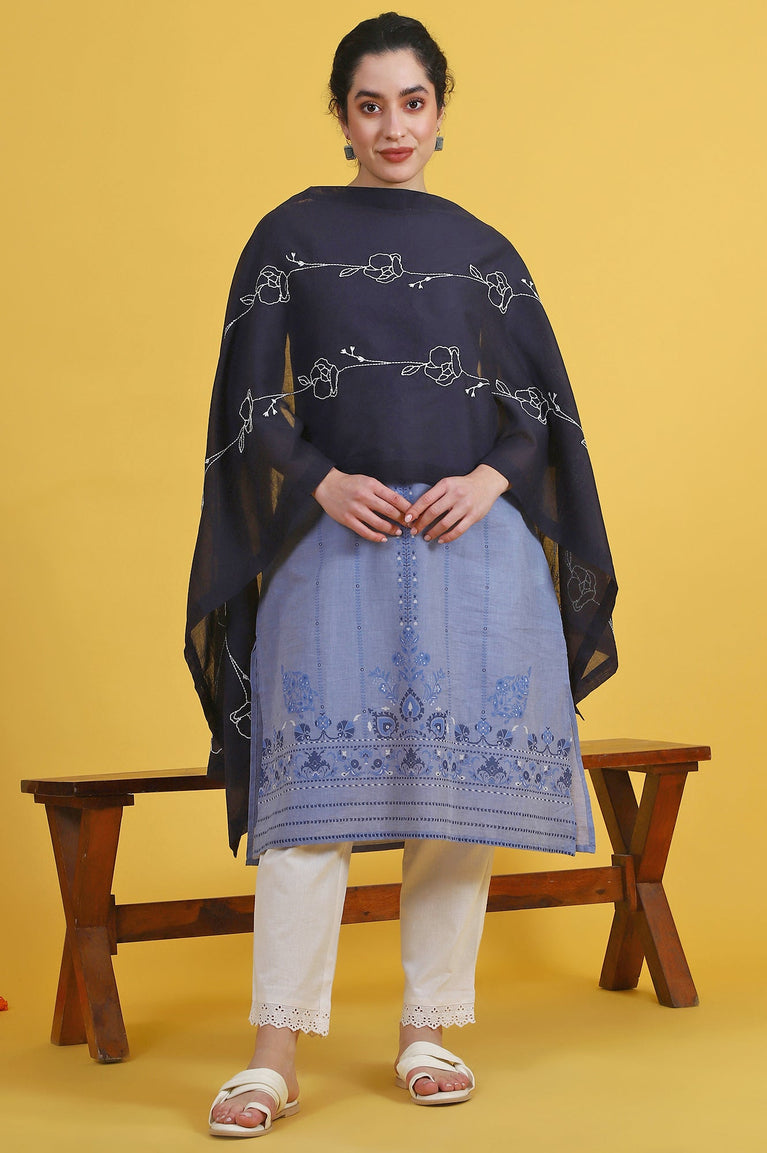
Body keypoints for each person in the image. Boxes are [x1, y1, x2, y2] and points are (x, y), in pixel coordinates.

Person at [185, 11, 617, 1138]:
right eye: (368, 105)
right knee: (303, 803)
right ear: (340, 116)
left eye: (411, 103)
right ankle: (272, 1055)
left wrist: (487, 480)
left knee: (452, 805)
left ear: (439, 112)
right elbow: (249, 404)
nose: (392, 126)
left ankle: (429, 1029)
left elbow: (537, 418)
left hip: (473, 555)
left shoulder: (483, 252)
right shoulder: (288, 236)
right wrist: (319, 480)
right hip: (333, 542)